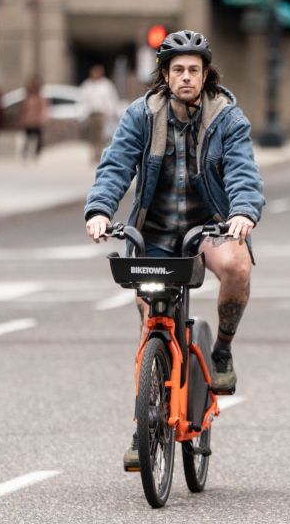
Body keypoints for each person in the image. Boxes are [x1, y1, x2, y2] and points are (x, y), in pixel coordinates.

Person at [83, 29, 264, 469]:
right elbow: (115, 166)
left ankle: (220, 349)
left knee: (238, 266)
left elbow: (243, 171)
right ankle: (143, 423)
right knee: (150, 320)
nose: (186, 77)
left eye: (194, 70)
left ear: (205, 75)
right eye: (178, 69)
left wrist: (242, 212)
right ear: (165, 74)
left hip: (210, 227)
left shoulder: (227, 117)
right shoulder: (141, 115)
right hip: (157, 232)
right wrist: (100, 210)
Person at [80, 63, 121, 163]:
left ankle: (100, 155)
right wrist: (82, 115)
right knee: (92, 136)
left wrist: (113, 112)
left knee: (102, 136)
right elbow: (84, 101)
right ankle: (93, 154)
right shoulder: (87, 85)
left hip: (102, 114)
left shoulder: (106, 85)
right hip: (91, 114)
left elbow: (112, 99)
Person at [19, 76, 49, 158]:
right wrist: (22, 119)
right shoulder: (27, 96)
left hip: (37, 121)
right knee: (27, 138)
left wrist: (41, 119)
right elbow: (23, 109)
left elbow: (43, 108)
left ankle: (36, 153)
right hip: (28, 120)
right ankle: (26, 152)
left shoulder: (40, 97)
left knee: (38, 138)